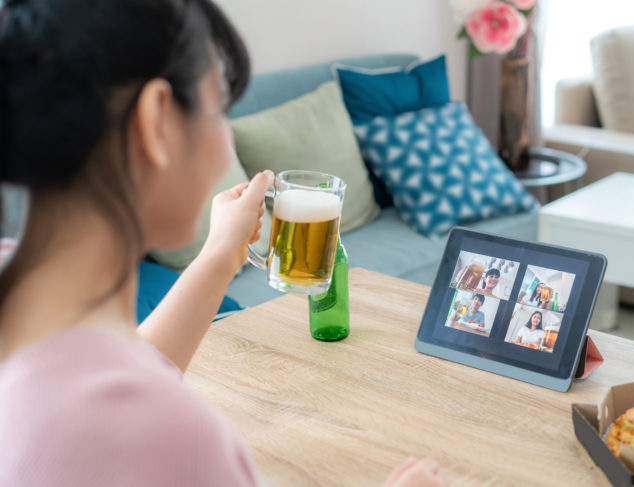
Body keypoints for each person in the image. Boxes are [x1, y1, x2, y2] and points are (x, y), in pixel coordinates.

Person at [0, 1, 446, 486]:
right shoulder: (172, 437)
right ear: (157, 122)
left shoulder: (31, 312)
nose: (225, 149)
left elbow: (121, 368)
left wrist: (222, 251)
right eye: (219, 111)